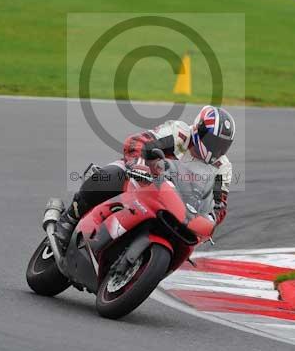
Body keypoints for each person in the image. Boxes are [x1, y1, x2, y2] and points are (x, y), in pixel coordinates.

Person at [55, 105, 235, 250]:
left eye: (222, 145)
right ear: (199, 131)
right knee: (111, 174)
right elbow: (138, 141)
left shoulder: (222, 167)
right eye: (213, 142)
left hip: (180, 208)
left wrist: (211, 219)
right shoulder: (179, 133)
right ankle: (69, 218)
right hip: (144, 181)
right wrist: (138, 163)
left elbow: (219, 205)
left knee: (187, 243)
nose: (216, 149)